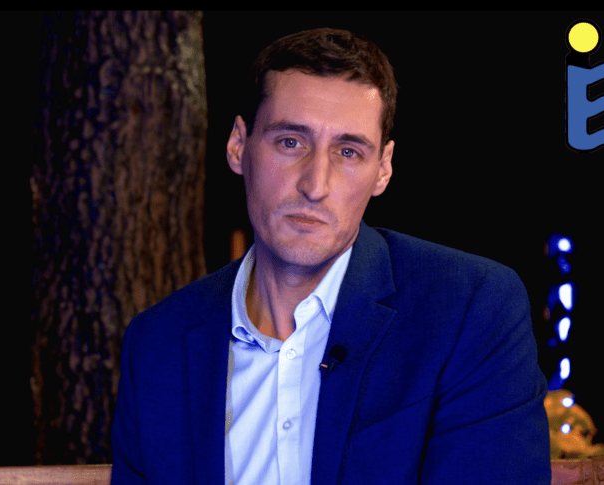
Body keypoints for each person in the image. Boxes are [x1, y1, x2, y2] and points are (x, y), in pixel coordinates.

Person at [110, 27, 551, 484]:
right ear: (238, 145)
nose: (315, 185)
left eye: (348, 151)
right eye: (291, 142)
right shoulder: (158, 344)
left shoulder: (469, 309)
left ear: (383, 169)